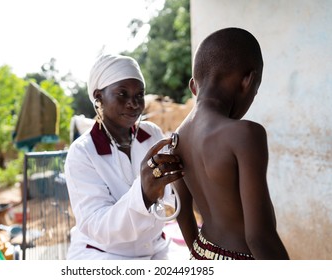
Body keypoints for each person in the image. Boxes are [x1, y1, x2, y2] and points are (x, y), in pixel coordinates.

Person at [172, 27, 290, 260]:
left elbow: (182, 212)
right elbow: (259, 237)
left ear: (193, 86)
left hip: (199, 253)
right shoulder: (245, 134)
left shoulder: (175, 138)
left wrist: (201, 255)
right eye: (256, 91)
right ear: (249, 80)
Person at [64, 54, 184, 259]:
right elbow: (97, 225)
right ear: (98, 97)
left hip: (156, 247)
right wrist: (143, 194)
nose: (133, 104)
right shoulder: (83, 152)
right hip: (105, 254)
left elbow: (169, 199)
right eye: (122, 94)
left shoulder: (151, 134)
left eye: (139, 95)